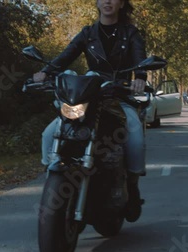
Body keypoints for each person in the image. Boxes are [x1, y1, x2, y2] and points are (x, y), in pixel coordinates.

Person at [33, 0, 146, 222]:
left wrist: (140, 78)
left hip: (119, 97)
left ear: (121, 4)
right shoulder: (88, 33)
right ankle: (52, 182)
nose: (108, 1)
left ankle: (132, 187)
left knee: (135, 136)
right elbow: (66, 56)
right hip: (89, 98)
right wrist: (45, 72)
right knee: (49, 134)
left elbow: (140, 61)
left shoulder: (131, 34)